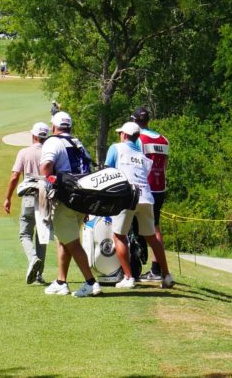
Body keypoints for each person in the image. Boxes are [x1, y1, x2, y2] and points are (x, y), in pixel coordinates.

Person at [104, 121, 174, 289]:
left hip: (127, 197)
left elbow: (107, 172)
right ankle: (166, 275)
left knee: (119, 236)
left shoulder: (116, 148)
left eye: (120, 133)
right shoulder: (144, 157)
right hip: (146, 197)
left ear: (124, 135)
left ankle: (128, 277)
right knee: (151, 236)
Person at [40, 111, 102, 298]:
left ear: (54, 127)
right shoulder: (78, 142)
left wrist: (47, 182)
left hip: (65, 198)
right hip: (82, 198)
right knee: (65, 240)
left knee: (71, 242)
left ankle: (91, 282)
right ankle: (61, 281)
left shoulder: (52, 142)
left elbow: (45, 167)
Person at [3, 121, 50, 285]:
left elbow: (15, 176)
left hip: (30, 196)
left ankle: (33, 259)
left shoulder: (24, 152)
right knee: (41, 236)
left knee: (24, 233)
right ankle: (38, 275)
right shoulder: (50, 152)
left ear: (34, 136)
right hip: (46, 196)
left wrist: (8, 197)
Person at [130, 106, 169, 281]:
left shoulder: (140, 139)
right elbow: (165, 166)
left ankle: (140, 267)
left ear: (135, 121)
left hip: (145, 187)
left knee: (139, 228)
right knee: (155, 227)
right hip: (160, 187)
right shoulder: (163, 139)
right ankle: (156, 268)